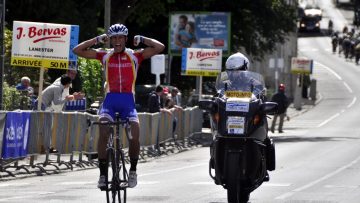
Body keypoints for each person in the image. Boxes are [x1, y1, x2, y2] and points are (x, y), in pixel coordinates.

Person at [72, 23, 165, 189]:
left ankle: (134, 170)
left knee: (135, 134)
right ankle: (102, 174)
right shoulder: (105, 56)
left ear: (125, 39)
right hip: (110, 102)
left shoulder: (135, 55)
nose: (117, 41)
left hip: (128, 102)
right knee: (103, 130)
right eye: (113, 38)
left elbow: (160, 47)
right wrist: (96, 39)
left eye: (120, 37)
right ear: (110, 40)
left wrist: (143, 39)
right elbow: (77, 50)